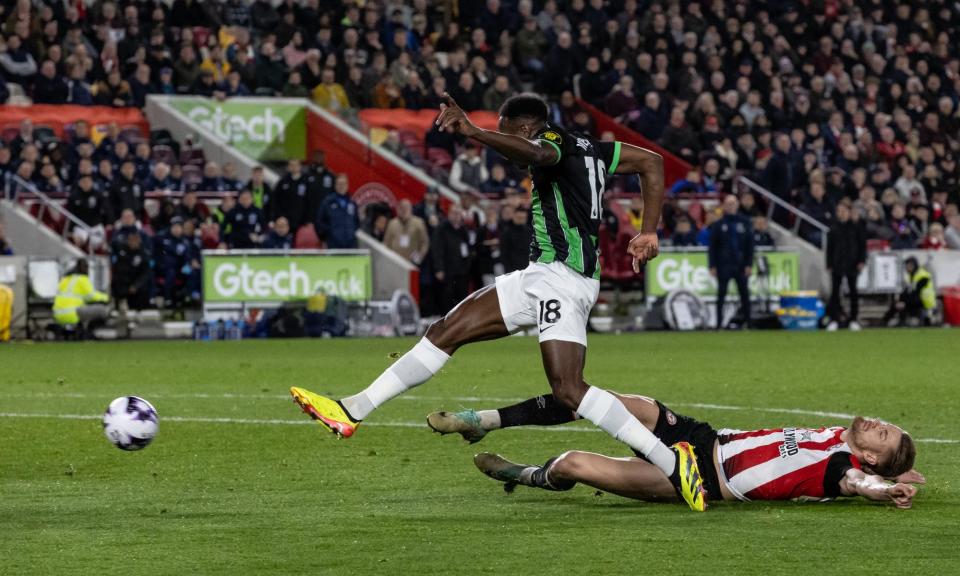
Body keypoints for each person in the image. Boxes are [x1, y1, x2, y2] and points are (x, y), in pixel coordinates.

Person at [288, 93, 707, 512]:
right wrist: (649, 232)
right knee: (445, 331)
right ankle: (352, 410)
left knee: (568, 388)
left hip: (564, 279)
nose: (506, 146)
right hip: (538, 276)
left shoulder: (553, 144)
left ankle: (671, 462)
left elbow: (538, 152)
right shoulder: (594, 148)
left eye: (506, 131)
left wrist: (474, 131)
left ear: (524, 128)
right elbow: (652, 163)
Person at [427, 391, 920, 509]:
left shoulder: (841, 466)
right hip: (706, 438)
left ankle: (527, 473)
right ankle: (486, 421)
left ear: (871, 457)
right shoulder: (842, 435)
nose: (876, 425)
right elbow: (880, 467)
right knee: (603, 400)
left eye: (882, 435)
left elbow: (857, 483)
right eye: (885, 426)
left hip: (700, 479)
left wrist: (880, 489)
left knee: (572, 464)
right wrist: (908, 472)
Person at [709, 195, 754, 329]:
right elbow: (713, 247)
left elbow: (750, 246)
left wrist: (749, 264)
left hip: (740, 265)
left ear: (737, 205)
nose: (731, 206)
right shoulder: (718, 225)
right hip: (724, 265)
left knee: (745, 294)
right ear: (724, 206)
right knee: (721, 295)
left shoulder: (745, 223)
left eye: (733, 203)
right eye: (728, 204)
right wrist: (712, 265)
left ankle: (748, 322)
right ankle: (718, 324)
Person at [826, 201, 867, 331]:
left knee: (853, 292)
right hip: (837, 263)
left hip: (852, 263)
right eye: (839, 211)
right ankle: (834, 319)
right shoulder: (833, 228)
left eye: (843, 211)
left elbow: (862, 246)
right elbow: (829, 248)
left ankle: (854, 319)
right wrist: (829, 263)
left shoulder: (856, 228)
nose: (841, 214)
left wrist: (861, 261)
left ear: (849, 212)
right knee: (835, 293)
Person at [432, 204, 472, 314]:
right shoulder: (441, 228)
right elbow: (436, 249)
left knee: (461, 299)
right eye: (454, 213)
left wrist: (467, 266)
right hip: (447, 270)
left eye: (458, 213)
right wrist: (438, 268)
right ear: (449, 214)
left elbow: (468, 249)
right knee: (446, 299)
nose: (456, 216)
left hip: (461, 271)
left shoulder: (463, 230)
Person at [53, 260, 110, 334]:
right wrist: (107, 298)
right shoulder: (82, 279)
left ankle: (81, 329)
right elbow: (91, 296)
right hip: (73, 313)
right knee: (104, 310)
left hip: (58, 314)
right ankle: (89, 331)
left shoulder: (65, 279)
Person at [883, 257, 937, 327]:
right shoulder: (911, 276)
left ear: (915, 265)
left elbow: (915, 293)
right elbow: (907, 291)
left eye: (909, 266)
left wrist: (903, 302)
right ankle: (885, 322)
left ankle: (900, 322)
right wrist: (899, 300)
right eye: (907, 266)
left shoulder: (923, 276)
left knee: (904, 304)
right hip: (917, 300)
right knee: (898, 303)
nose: (907, 268)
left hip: (925, 302)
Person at [315, 174, 358, 249]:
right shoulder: (327, 202)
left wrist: (351, 233)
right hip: (333, 244)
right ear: (335, 185)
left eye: (344, 184)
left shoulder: (352, 203)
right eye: (339, 184)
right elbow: (319, 222)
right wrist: (330, 232)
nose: (341, 186)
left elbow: (356, 222)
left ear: (347, 185)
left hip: (350, 245)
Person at [111, 232, 152, 311]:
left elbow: (145, 273)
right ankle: (118, 305)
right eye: (131, 240)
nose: (133, 243)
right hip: (122, 281)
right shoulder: (122, 250)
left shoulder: (143, 254)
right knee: (117, 283)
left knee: (143, 287)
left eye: (136, 240)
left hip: (136, 282)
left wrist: (136, 285)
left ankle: (139, 310)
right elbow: (119, 269)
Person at [383, 200, 429, 265]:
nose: (404, 211)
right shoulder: (392, 223)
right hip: (394, 262)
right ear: (398, 209)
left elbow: (424, 242)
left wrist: (419, 257)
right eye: (402, 208)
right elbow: (386, 242)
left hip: (412, 263)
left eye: (406, 208)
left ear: (411, 209)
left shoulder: (418, 223)